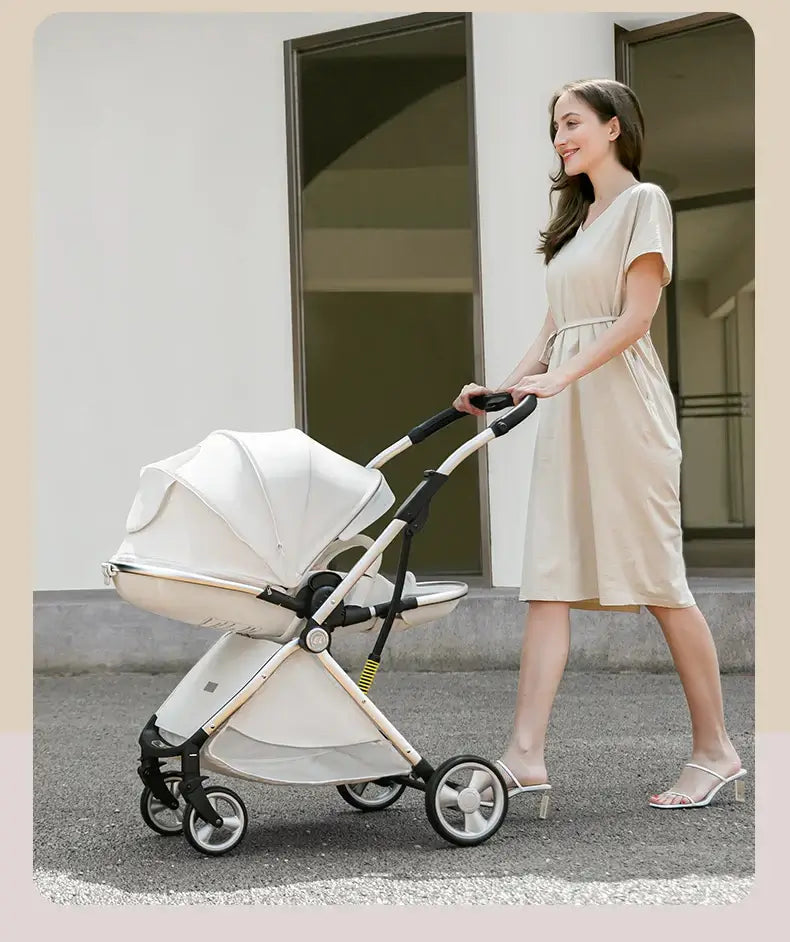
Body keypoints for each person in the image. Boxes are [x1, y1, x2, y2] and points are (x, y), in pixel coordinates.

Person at [454, 78, 746, 812]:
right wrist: (502, 387)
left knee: (660, 583)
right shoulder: (576, 222)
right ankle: (524, 757)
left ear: (614, 127)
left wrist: (561, 378)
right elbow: (557, 326)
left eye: (573, 122)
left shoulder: (643, 204)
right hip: (571, 402)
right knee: (547, 579)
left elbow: (635, 320)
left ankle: (716, 752)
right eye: (555, 126)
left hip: (624, 406)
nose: (560, 137)